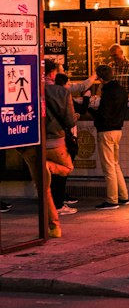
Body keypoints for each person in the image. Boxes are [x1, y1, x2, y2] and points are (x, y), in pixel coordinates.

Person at [42, 58, 76, 237]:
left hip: (35, 143)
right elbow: (70, 121)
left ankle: (54, 225)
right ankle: (48, 165)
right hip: (56, 141)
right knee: (68, 167)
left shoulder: (31, 89)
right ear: (53, 73)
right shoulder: (61, 92)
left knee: (44, 187)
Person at [90, 64, 129, 208]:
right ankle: (123, 196)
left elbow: (103, 114)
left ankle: (112, 199)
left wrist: (91, 110)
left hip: (106, 131)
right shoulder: (121, 90)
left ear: (100, 78)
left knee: (108, 167)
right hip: (118, 130)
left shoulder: (107, 92)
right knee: (115, 164)